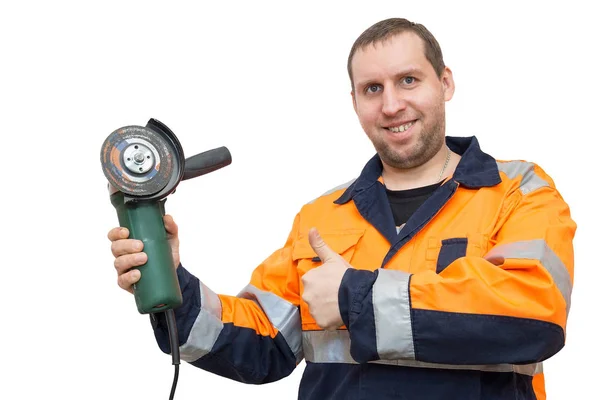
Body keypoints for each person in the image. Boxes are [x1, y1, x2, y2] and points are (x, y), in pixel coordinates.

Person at [108, 17, 576, 400]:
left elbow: (532, 314)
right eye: (372, 89)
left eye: (408, 80)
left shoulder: (518, 190)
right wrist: (173, 285)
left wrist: (355, 297)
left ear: (445, 83)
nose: (392, 104)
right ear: (354, 102)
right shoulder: (323, 216)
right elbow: (263, 344)